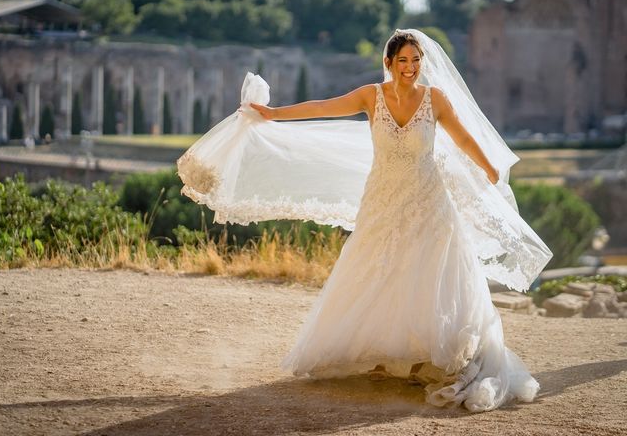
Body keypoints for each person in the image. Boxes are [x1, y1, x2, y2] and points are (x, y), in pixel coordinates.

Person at [177, 29, 552, 412]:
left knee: (430, 273)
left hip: (429, 201)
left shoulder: (435, 99)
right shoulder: (370, 96)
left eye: (416, 60)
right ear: (389, 62)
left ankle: (428, 355)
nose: (411, 68)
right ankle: (381, 354)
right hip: (383, 201)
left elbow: (463, 138)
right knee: (378, 271)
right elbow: (321, 107)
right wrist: (273, 114)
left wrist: (489, 168)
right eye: (403, 60)